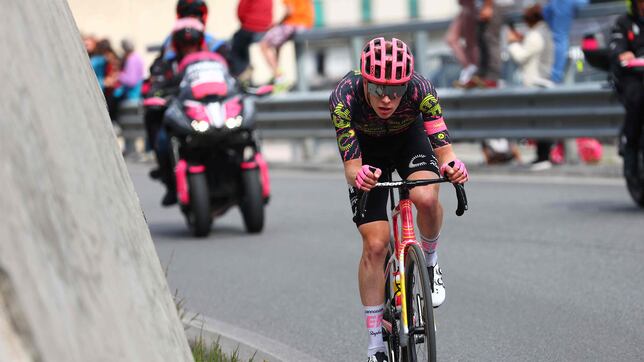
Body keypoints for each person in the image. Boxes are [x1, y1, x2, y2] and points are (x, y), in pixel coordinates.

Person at [328, 37, 468, 362]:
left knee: (426, 198)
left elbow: (444, 151)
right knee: (375, 244)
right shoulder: (343, 98)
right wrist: (360, 177)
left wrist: (452, 166)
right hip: (368, 152)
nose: (388, 99)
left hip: (409, 141)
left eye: (396, 90)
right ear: (364, 80)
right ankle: (376, 344)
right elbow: (352, 168)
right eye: (378, 89)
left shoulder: (421, 89)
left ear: (408, 84)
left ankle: (430, 265)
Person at [506, 4, 555, 170]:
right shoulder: (544, 32)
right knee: (541, 121)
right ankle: (541, 157)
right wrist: (521, 40)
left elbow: (521, 56)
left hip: (536, 83)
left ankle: (544, 158)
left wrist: (512, 42)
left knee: (541, 122)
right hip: (543, 81)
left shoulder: (535, 35)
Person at [610, 0, 644, 179]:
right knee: (637, 99)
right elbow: (616, 46)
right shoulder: (623, 22)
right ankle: (630, 146)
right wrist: (623, 53)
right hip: (634, 76)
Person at [259, 0, 314, 85]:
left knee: (264, 44)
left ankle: (279, 77)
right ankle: (277, 73)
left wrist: (279, 23)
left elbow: (290, 12)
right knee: (277, 44)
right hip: (306, 24)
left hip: (293, 24)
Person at [542, 0, 589, 84]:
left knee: (580, 68)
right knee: (578, 69)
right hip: (576, 44)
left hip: (581, 42)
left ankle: (560, 78)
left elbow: (546, 13)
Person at [230, 0, 273, 78]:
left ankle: (242, 72)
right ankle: (278, 75)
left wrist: (244, 22)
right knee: (265, 46)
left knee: (237, 42)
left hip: (251, 26)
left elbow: (241, 11)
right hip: (266, 26)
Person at [446, 0, 479, 86]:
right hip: (478, 65)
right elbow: (451, 39)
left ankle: (470, 68)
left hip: (475, 65)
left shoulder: (468, 12)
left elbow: (451, 39)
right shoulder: (468, 12)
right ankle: (471, 68)